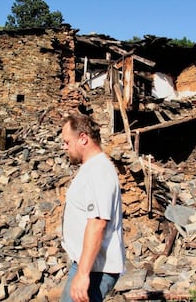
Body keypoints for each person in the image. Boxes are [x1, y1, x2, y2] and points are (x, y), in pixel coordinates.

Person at [60, 113, 125, 302]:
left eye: (67, 142)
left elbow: (97, 223)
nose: (64, 147)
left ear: (83, 138)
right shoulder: (92, 168)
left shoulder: (98, 171)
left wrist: (82, 274)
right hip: (89, 264)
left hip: (96, 268)